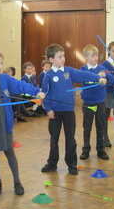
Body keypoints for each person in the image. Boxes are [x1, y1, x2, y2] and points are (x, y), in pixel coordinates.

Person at [0, 49, 45, 195]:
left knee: (9, 151)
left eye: (1, 63)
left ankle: (17, 181)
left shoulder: (4, 78)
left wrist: (36, 91)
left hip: (3, 120)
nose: (0, 67)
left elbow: (20, 86)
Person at [41, 44, 102, 175]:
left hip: (68, 111)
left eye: (63, 56)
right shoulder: (48, 75)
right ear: (51, 60)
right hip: (55, 113)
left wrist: (98, 78)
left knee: (71, 139)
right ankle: (52, 163)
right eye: (59, 57)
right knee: (54, 139)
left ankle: (72, 164)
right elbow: (44, 94)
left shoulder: (68, 71)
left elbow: (83, 74)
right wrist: (48, 109)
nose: (63, 59)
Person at [79, 45, 114, 161]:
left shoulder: (102, 68)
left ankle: (100, 150)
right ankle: (85, 150)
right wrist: (98, 78)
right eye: (92, 56)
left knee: (100, 127)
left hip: (100, 102)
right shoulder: (83, 69)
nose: (95, 58)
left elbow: (111, 79)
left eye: (96, 55)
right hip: (88, 103)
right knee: (87, 128)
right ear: (86, 57)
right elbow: (85, 81)